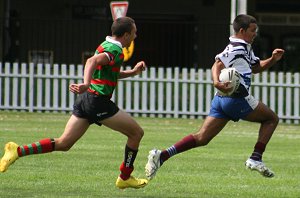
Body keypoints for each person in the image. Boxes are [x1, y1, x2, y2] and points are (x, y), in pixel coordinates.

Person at [0, 16, 148, 189]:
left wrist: (133, 72)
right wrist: (85, 83)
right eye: (134, 33)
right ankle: (125, 177)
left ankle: (17, 151)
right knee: (136, 133)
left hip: (86, 101)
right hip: (97, 102)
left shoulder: (105, 45)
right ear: (126, 35)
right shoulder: (115, 50)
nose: (135, 36)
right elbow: (92, 61)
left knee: (64, 144)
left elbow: (109, 72)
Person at [145, 14, 285, 179]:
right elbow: (217, 64)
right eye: (253, 30)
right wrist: (216, 81)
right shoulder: (236, 47)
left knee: (202, 138)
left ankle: (162, 156)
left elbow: (256, 67)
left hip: (221, 100)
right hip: (237, 98)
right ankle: (256, 158)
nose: (255, 33)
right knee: (271, 119)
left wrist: (273, 59)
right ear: (242, 30)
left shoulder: (245, 46)